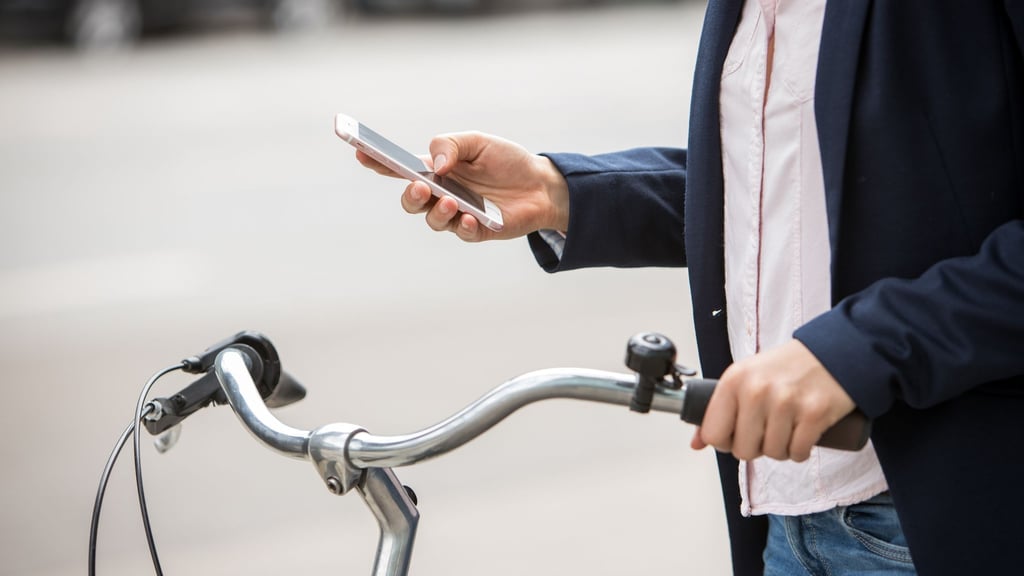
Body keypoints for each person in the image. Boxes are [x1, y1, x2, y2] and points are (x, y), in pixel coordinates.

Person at [356, 2, 1024, 574]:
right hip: (785, 529)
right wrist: (561, 192)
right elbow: (782, 193)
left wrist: (860, 349)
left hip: (943, 523)